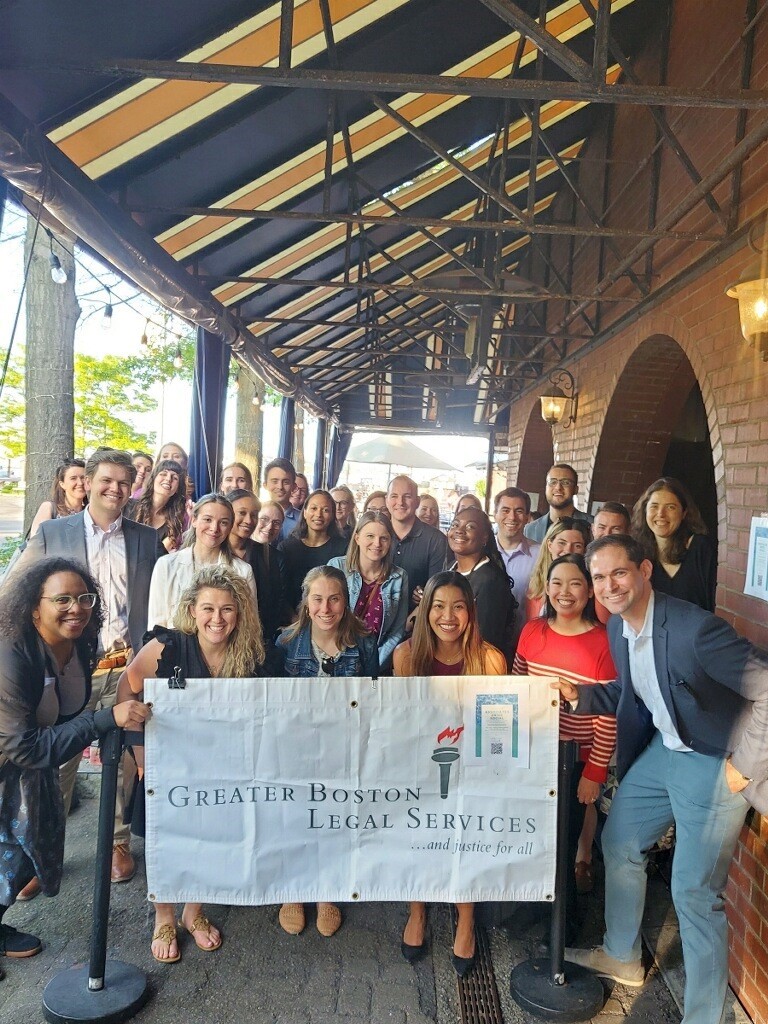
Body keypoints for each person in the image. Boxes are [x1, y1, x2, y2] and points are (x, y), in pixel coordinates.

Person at [553, 535, 768, 1024]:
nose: (609, 586)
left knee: (694, 894)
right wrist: (581, 697)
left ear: (644, 570)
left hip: (715, 762)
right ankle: (623, 954)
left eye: (619, 573)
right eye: (600, 578)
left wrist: (744, 766)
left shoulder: (694, 630)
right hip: (664, 751)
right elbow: (636, 693)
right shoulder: (618, 629)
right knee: (620, 839)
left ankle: (704, 1018)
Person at [14, 448, 158, 885]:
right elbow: (18, 590)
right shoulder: (52, 532)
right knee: (58, 759)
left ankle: (115, 842)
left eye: (123, 482)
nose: (115, 489)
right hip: (67, 665)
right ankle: (40, 850)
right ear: (88, 482)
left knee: (123, 761)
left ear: (133, 488)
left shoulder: (145, 538)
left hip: (126, 665)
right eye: (106, 480)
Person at [0, 558, 150, 959]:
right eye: (62, 599)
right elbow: (23, 746)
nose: (77, 608)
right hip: (13, 761)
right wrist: (102, 721)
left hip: (30, 769)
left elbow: (61, 716)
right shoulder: (11, 655)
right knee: (9, 850)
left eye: (85, 598)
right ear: (34, 607)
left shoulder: (77, 644)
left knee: (26, 851)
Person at [117, 565, 265, 963]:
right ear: (192, 610)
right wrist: (140, 753)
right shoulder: (168, 647)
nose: (217, 618)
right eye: (208, 608)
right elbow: (127, 686)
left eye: (227, 609)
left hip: (219, 765)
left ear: (240, 614)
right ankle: (163, 916)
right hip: (167, 762)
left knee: (210, 837)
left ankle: (193, 912)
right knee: (167, 840)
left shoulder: (248, 656)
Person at [393, 571, 505, 976]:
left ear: (471, 613)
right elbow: (403, 725)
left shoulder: (490, 659)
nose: (448, 616)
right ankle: (418, 910)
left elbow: (496, 731)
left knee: (467, 838)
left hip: (471, 769)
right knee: (419, 836)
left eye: (458, 606)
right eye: (438, 606)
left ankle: (466, 918)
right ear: (425, 612)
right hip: (421, 767)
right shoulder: (406, 657)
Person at [274, 565, 379, 939]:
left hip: (343, 746)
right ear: (306, 603)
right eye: (317, 599)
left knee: (335, 817)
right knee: (296, 815)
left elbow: (372, 695)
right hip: (297, 747)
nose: (326, 608)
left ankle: (327, 891)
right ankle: (295, 889)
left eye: (334, 599)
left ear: (345, 602)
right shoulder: (286, 643)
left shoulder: (364, 642)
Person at [514, 554, 616, 927]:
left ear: (589, 591)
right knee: (533, 839)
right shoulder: (532, 632)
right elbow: (517, 686)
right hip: (533, 756)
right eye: (557, 583)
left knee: (563, 843)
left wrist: (594, 771)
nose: (564, 592)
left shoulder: (603, 642)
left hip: (574, 763)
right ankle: (535, 909)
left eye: (575, 583)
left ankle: (565, 923)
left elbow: (608, 715)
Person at [147, 493, 257, 628]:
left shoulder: (243, 571)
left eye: (223, 522)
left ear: (229, 527)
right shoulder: (166, 565)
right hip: (175, 646)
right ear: (194, 520)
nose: (214, 528)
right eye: (208, 519)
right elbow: (156, 625)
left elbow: (248, 625)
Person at [328, 510, 409, 674]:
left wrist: (373, 666)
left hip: (377, 664)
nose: (377, 543)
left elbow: (397, 631)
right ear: (357, 538)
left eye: (384, 538)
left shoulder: (399, 577)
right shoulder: (336, 567)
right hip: (338, 658)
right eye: (370, 536)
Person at [631, 476, 715, 612]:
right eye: (654, 506)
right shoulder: (638, 553)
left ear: (684, 513)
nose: (661, 514)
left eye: (671, 507)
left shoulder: (700, 548)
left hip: (696, 632)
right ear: (645, 510)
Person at [446, 508, 515, 667]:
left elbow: (487, 640)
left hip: (475, 667)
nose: (460, 531)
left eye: (470, 527)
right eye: (455, 525)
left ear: (484, 537)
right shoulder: (450, 568)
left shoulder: (491, 581)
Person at [227, 489, 292, 642]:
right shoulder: (213, 550)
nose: (249, 520)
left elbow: (274, 603)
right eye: (242, 513)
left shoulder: (269, 555)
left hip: (255, 640)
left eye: (254, 515)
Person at [278, 490, 347, 610]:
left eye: (325, 510)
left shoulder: (342, 548)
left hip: (329, 615)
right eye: (313, 508)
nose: (318, 514)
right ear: (304, 512)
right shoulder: (287, 548)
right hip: (292, 619)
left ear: (332, 516)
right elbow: (280, 592)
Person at [386, 476, 448, 610]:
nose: (400, 502)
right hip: (373, 623)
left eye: (407, 496)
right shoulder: (378, 534)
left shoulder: (436, 540)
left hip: (416, 623)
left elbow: (438, 591)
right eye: (394, 496)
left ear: (417, 501)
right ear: (387, 500)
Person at [494, 487, 540, 647]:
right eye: (505, 510)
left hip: (525, 644)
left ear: (527, 517)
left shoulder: (541, 556)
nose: (512, 517)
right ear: (495, 514)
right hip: (484, 644)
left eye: (519, 511)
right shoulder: (479, 552)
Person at [526, 518, 593, 620]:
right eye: (562, 543)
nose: (568, 550)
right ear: (550, 545)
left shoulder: (589, 586)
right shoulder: (536, 583)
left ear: (584, 550)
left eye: (577, 546)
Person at [124, 459, 187, 554]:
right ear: (153, 479)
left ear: (178, 488)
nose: (168, 479)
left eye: (174, 478)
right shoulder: (128, 506)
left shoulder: (175, 522)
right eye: (163, 474)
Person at [524, 464, 593, 543]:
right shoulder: (530, 529)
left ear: (576, 489)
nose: (558, 488)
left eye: (566, 483)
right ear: (546, 487)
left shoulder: (593, 525)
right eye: (553, 482)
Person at [28, 458, 87, 537]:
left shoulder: (90, 512)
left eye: (83, 478)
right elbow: (37, 542)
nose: (80, 483)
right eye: (73, 478)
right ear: (62, 484)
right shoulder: (50, 508)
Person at [264, 458, 300, 542]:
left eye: (286, 482)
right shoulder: (256, 515)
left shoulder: (303, 520)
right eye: (274, 481)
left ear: (294, 487)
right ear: (265, 485)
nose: (280, 487)